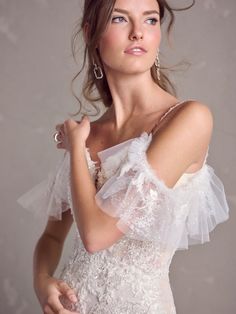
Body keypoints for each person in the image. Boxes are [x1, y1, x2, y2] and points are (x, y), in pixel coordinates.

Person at [17, 0, 230, 313]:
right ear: (92, 32)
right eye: (120, 19)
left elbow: (96, 235)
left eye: (150, 20)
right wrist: (41, 281)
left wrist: (77, 148)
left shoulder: (189, 119)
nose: (138, 33)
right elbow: (51, 236)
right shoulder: (90, 132)